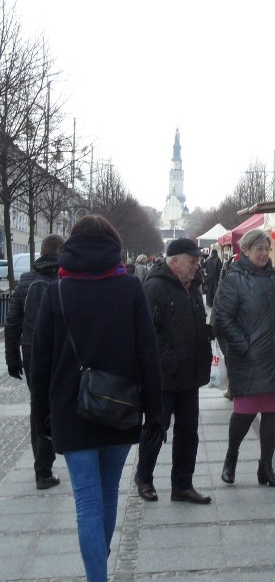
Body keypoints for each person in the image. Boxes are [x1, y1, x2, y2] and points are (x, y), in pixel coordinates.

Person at [29, 215, 164, 582]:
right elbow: (148, 354)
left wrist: (40, 415)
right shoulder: (130, 287)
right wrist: (156, 413)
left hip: (70, 410)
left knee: (87, 503)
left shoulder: (56, 290)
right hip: (120, 407)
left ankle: (96, 576)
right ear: (113, 244)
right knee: (106, 497)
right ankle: (97, 570)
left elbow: (39, 360)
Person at [214, 228, 275, 488]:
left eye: (266, 249)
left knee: (273, 414)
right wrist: (245, 346)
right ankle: (231, 458)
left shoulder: (274, 276)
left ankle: (266, 468)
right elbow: (222, 320)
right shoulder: (233, 279)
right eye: (258, 248)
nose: (263, 253)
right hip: (249, 359)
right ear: (245, 250)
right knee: (244, 413)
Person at [134, 238, 213, 505]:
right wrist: (169, 359)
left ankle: (182, 484)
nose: (196, 268)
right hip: (164, 376)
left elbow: (194, 324)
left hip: (190, 375)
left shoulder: (192, 288)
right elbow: (147, 332)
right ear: (175, 261)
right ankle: (144, 478)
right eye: (192, 263)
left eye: (197, 263)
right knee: (157, 428)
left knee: (188, 433)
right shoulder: (154, 287)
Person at [4, 233, 66, 490]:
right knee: (60, 401)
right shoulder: (63, 280)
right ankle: (59, 455)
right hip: (59, 350)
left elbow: (12, 322)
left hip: (30, 350)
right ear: (59, 252)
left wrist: (12, 359)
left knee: (38, 404)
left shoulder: (25, 281)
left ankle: (43, 468)